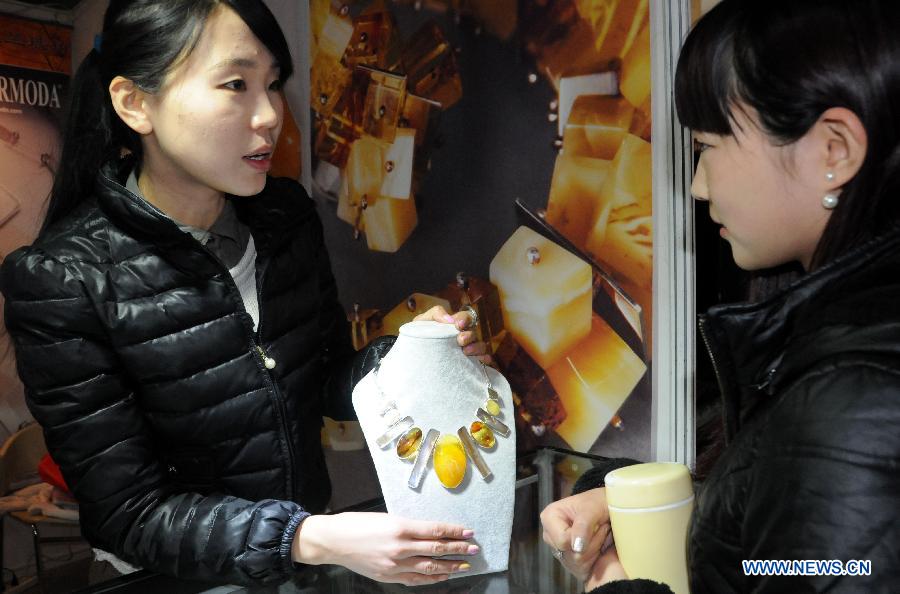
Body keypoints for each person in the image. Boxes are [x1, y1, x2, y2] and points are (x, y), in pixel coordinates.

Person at [0, 0, 488, 587]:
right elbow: (127, 514)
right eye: (236, 84)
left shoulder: (285, 218)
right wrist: (305, 537)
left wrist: (408, 357)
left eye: (273, 84)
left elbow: (328, 380)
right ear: (135, 103)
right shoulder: (63, 278)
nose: (270, 116)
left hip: (304, 564)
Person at [540, 0, 900, 592]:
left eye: (709, 146)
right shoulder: (845, 356)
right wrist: (632, 501)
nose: (698, 186)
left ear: (834, 151)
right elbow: (781, 551)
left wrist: (611, 583)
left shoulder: (854, 407)